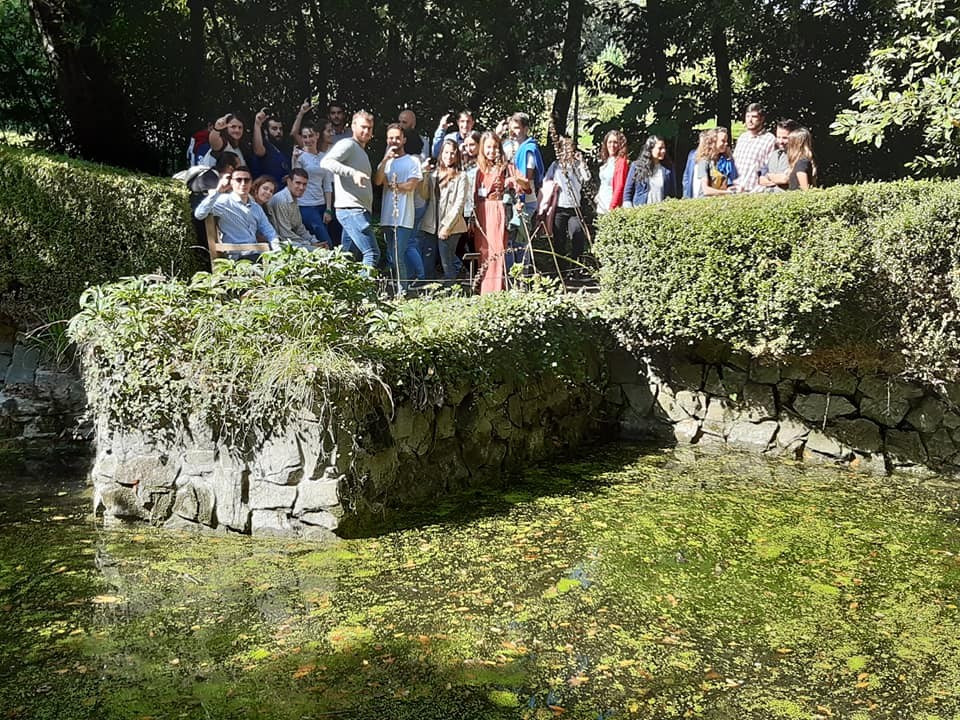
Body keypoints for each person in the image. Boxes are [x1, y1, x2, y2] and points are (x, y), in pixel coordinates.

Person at [321, 111, 379, 271]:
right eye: (363, 127)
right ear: (353, 126)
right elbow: (326, 162)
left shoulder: (361, 151)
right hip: (352, 210)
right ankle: (366, 294)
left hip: (357, 210)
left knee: (347, 258)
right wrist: (352, 173)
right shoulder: (348, 144)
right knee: (372, 253)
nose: (367, 131)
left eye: (370, 128)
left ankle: (339, 292)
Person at [473, 131, 530, 294]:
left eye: (494, 147)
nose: (491, 151)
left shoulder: (506, 166)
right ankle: (484, 289)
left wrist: (513, 180)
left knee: (497, 250)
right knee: (483, 251)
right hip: (481, 210)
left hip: (497, 210)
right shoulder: (478, 168)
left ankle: (496, 290)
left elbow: (525, 185)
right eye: (488, 147)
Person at [374, 123, 424, 292]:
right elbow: (378, 181)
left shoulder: (413, 161)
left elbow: (411, 185)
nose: (394, 141)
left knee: (398, 255)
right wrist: (385, 160)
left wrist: (394, 185)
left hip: (404, 217)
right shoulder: (386, 162)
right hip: (387, 217)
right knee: (391, 254)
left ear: (404, 140)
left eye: (397, 138)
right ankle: (399, 286)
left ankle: (403, 290)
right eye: (391, 138)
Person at [193, 165, 279, 257]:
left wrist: (278, 249)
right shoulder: (224, 201)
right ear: (232, 183)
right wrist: (218, 191)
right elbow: (199, 214)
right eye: (238, 180)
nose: (243, 184)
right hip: (237, 257)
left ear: (251, 184)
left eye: (246, 180)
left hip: (255, 253)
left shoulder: (256, 207)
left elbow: (269, 231)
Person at [420, 138, 468, 282]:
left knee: (447, 262)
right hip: (431, 224)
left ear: (457, 155)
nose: (449, 156)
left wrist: (447, 226)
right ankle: (429, 292)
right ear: (441, 154)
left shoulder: (461, 176)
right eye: (446, 152)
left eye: (452, 153)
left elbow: (459, 204)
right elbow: (424, 195)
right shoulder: (434, 174)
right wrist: (425, 175)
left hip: (451, 227)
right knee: (428, 260)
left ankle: (451, 293)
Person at [544, 135, 590, 263]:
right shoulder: (556, 165)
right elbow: (546, 180)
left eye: (569, 147)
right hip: (559, 207)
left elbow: (586, 178)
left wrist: (582, 162)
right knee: (559, 240)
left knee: (577, 235)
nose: (567, 150)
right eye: (564, 147)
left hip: (574, 207)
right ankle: (561, 269)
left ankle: (577, 265)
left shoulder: (577, 165)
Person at [292, 121, 334, 247]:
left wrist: (328, 208)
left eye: (310, 136)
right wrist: (294, 159)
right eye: (304, 137)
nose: (307, 140)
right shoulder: (299, 156)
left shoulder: (324, 156)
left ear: (317, 135)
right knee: (326, 242)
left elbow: (327, 184)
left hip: (321, 204)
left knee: (319, 243)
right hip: (305, 205)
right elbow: (294, 179)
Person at [267, 168, 326, 249]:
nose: (301, 187)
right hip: (279, 244)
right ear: (289, 182)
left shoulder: (294, 198)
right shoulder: (281, 200)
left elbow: (299, 228)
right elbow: (285, 234)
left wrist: (314, 241)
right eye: (298, 183)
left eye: (304, 184)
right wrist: (309, 244)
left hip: (294, 241)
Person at [732, 103, 776, 193]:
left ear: (762, 119)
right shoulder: (742, 138)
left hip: (754, 190)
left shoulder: (769, 139)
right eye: (747, 116)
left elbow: (769, 168)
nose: (750, 120)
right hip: (735, 188)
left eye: (754, 117)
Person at [623, 135, 677, 206]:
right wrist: (628, 209)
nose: (664, 151)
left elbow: (673, 194)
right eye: (660, 148)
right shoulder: (637, 166)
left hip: (662, 211)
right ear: (650, 149)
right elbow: (628, 192)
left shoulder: (668, 168)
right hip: (640, 211)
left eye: (664, 148)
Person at [252, 108, 292, 187]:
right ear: (266, 131)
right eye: (274, 129)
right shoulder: (264, 146)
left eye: (280, 129)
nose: (278, 132)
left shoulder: (282, 148)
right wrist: (257, 124)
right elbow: (258, 150)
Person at [693, 128, 738, 197]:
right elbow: (706, 190)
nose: (726, 144)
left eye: (726, 141)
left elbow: (729, 185)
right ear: (713, 142)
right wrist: (728, 193)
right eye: (723, 141)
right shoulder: (703, 162)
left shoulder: (726, 162)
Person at [758, 119, 798, 192]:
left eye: (785, 138)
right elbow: (761, 177)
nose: (780, 141)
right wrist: (769, 178)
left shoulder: (798, 155)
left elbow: (785, 179)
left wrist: (769, 177)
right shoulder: (774, 154)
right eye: (778, 137)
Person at [595, 130, 629, 214]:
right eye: (609, 142)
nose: (612, 145)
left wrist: (612, 207)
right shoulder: (608, 160)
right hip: (601, 205)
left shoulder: (621, 161)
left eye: (615, 142)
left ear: (620, 145)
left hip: (611, 207)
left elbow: (620, 185)